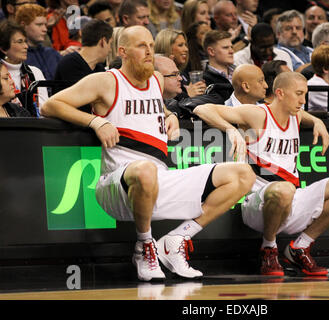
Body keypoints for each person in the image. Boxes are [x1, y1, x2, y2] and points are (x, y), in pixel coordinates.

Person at [40, 25, 256, 281]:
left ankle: (176, 239)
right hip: (115, 185)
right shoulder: (106, 81)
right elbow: (50, 105)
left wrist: (170, 114)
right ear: (123, 51)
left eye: (152, 46)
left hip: (158, 177)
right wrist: (95, 122)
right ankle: (144, 246)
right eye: (142, 46)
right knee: (145, 169)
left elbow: (155, 109)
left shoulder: (154, 79)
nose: (149, 51)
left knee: (243, 174)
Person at [193, 71, 329, 276]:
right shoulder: (258, 114)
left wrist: (318, 122)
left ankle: (300, 247)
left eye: (305, 94)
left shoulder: (295, 114)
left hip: (292, 197)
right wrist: (230, 129)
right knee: (283, 189)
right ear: (280, 93)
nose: (302, 100)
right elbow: (202, 108)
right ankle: (268, 248)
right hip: (256, 203)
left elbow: (303, 115)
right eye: (298, 94)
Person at [53, 19, 112, 102]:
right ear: (103, 41)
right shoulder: (70, 63)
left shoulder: (99, 68)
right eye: (110, 44)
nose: (110, 50)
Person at [0, 20, 48, 116]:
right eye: (20, 42)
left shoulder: (34, 72)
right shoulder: (0, 73)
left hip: (36, 126)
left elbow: (44, 108)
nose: (26, 46)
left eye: (25, 41)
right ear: (4, 48)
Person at [15, 3, 62, 81]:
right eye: (39, 25)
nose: (45, 29)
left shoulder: (52, 53)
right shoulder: (17, 58)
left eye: (45, 25)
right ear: (23, 25)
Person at [155, 28, 207, 98]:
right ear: (167, 48)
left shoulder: (183, 73)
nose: (186, 49)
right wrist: (188, 95)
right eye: (180, 45)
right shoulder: (157, 74)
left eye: (185, 45)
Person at [106, 0, 150, 68]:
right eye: (141, 17)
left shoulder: (148, 37)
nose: (147, 22)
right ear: (125, 19)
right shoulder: (110, 36)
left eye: (148, 17)